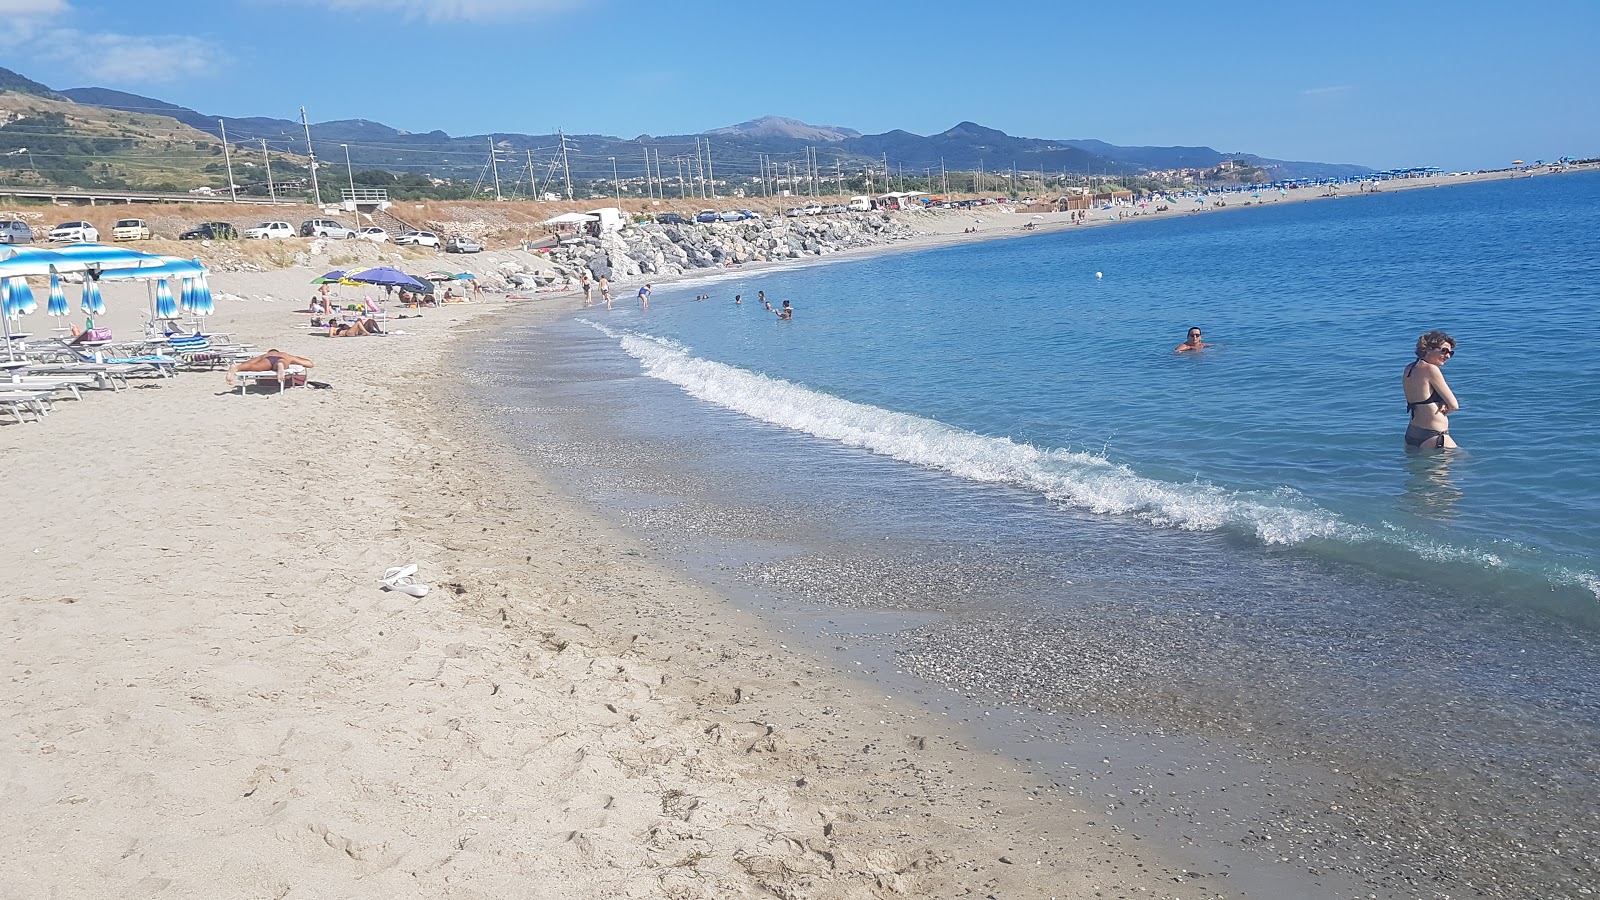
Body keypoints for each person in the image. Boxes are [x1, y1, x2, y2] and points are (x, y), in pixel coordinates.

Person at [1402, 330, 1460, 450]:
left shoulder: (1409, 368)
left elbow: (1422, 397)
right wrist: (1445, 410)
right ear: (1428, 349)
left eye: (1451, 353)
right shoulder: (1431, 369)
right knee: (1465, 462)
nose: (1448, 356)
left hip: (1412, 433)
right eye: (1444, 351)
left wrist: (1441, 402)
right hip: (1435, 436)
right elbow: (1454, 405)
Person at [225, 349, 314, 386]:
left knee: (255, 366)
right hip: (282, 359)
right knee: (283, 362)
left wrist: (240, 367)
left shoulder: (266, 355)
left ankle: (235, 368)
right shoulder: (285, 354)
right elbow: (309, 364)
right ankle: (281, 365)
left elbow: (250, 362)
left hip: (267, 360)